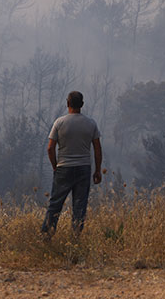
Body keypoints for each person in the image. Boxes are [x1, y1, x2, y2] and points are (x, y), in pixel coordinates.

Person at [41, 90, 102, 238]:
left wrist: (55, 165)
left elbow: (50, 148)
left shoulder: (60, 122)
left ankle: (46, 236)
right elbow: (97, 149)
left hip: (64, 167)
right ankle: (75, 238)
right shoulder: (90, 123)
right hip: (83, 168)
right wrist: (97, 170)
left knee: (55, 204)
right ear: (82, 104)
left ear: (68, 103)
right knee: (79, 206)